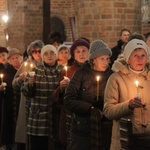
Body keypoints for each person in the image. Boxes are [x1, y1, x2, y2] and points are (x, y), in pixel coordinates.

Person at [64, 39, 113, 150]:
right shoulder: (81, 74)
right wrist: (90, 108)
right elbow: (69, 100)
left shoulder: (111, 75)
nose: (106, 62)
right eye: (102, 59)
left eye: (107, 59)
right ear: (93, 60)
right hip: (82, 129)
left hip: (105, 127)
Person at [104, 39, 150, 150]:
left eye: (143, 55)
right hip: (125, 140)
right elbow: (108, 111)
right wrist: (128, 105)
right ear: (128, 59)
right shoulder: (116, 79)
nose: (140, 59)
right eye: (135, 55)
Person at [21, 44, 64, 150]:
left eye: (52, 53)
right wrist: (30, 84)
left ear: (56, 55)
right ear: (42, 56)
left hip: (55, 115)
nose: (49, 56)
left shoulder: (62, 71)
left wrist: (63, 87)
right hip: (39, 116)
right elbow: (25, 92)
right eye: (46, 54)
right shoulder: (36, 71)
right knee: (39, 145)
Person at [52, 39, 90, 150]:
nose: (81, 54)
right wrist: (62, 88)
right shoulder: (68, 71)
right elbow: (55, 97)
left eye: (84, 51)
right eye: (77, 52)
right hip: (70, 115)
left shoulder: (94, 69)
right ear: (73, 55)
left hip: (88, 114)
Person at [12, 40, 44, 150]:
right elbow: (14, 84)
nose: (37, 54)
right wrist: (20, 79)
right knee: (25, 134)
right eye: (34, 51)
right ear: (30, 53)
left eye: (39, 51)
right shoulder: (26, 65)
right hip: (27, 103)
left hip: (41, 103)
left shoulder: (46, 65)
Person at [0, 48, 23, 150]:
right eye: (12, 58)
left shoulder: (26, 70)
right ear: (9, 60)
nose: (15, 60)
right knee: (10, 126)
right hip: (10, 103)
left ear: (21, 58)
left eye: (17, 57)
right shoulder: (6, 72)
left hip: (22, 103)